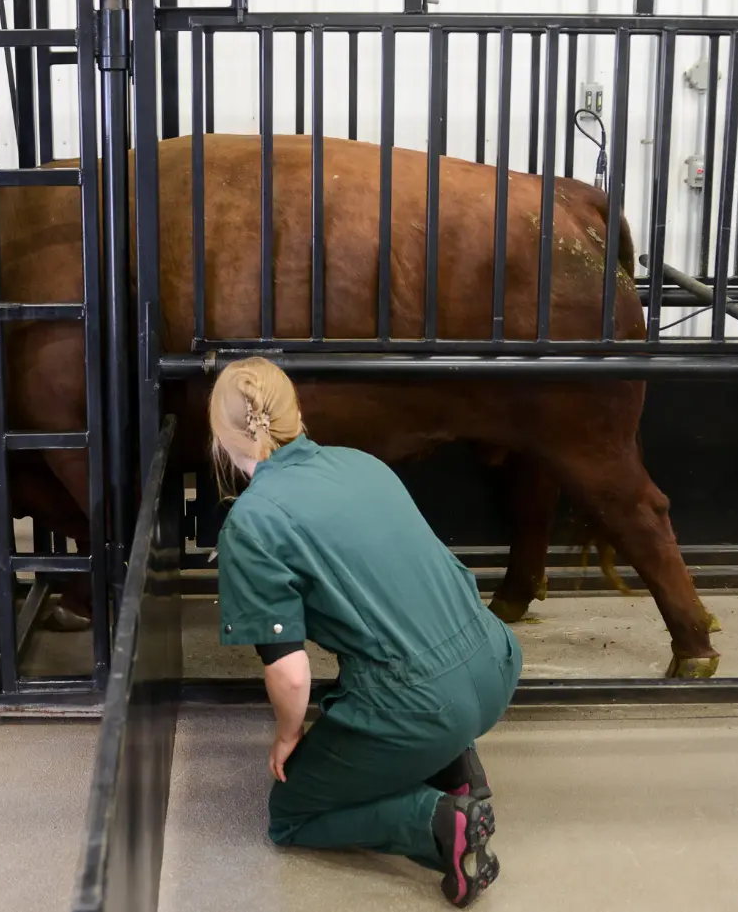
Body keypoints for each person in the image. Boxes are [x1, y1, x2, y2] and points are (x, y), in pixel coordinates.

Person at [207, 356, 523, 907]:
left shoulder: (253, 522)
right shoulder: (360, 462)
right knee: (367, 685)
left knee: (290, 814)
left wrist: (287, 736)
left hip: (424, 704)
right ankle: (459, 771)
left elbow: (290, 672)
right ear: (298, 412)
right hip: (495, 659)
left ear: (219, 438)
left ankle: (439, 824)